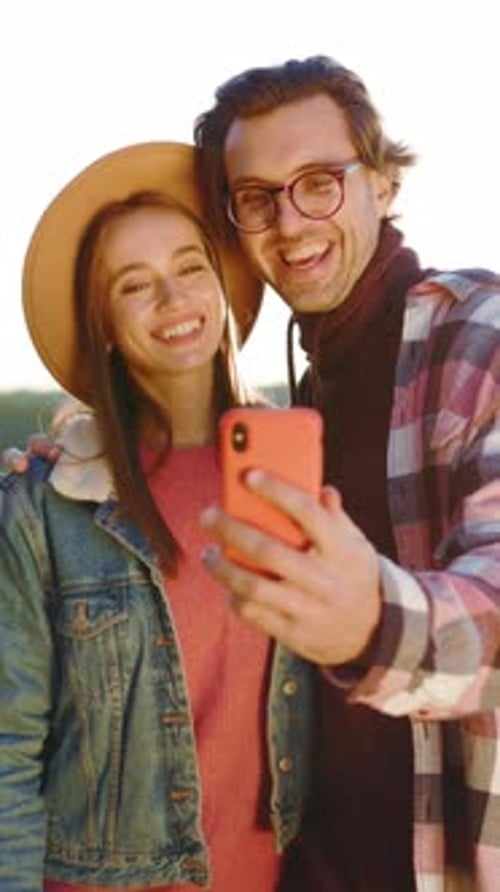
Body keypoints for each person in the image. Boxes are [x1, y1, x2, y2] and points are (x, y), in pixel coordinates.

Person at [191, 56, 500, 891]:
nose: (290, 225)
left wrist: (370, 624)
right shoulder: (293, 394)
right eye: (257, 197)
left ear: (383, 183)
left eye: (319, 182)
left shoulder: (480, 334)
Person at [0, 142, 314, 891]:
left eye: (189, 268)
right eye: (134, 286)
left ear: (222, 284)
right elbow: (8, 751)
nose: (174, 302)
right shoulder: (46, 504)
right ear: (103, 323)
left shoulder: (297, 475)